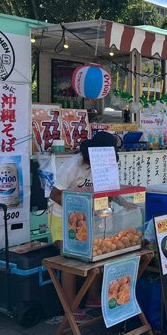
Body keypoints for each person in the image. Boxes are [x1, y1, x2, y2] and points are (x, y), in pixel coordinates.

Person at [48, 131, 119, 318]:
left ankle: (92, 297)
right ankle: (71, 308)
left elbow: (109, 191)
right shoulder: (72, 166)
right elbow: (54, 194)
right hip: (63, 216)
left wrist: (119, 202)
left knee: (92, 256)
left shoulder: (105, 166)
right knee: (70, 261)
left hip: (87, 215)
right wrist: (78, 210)